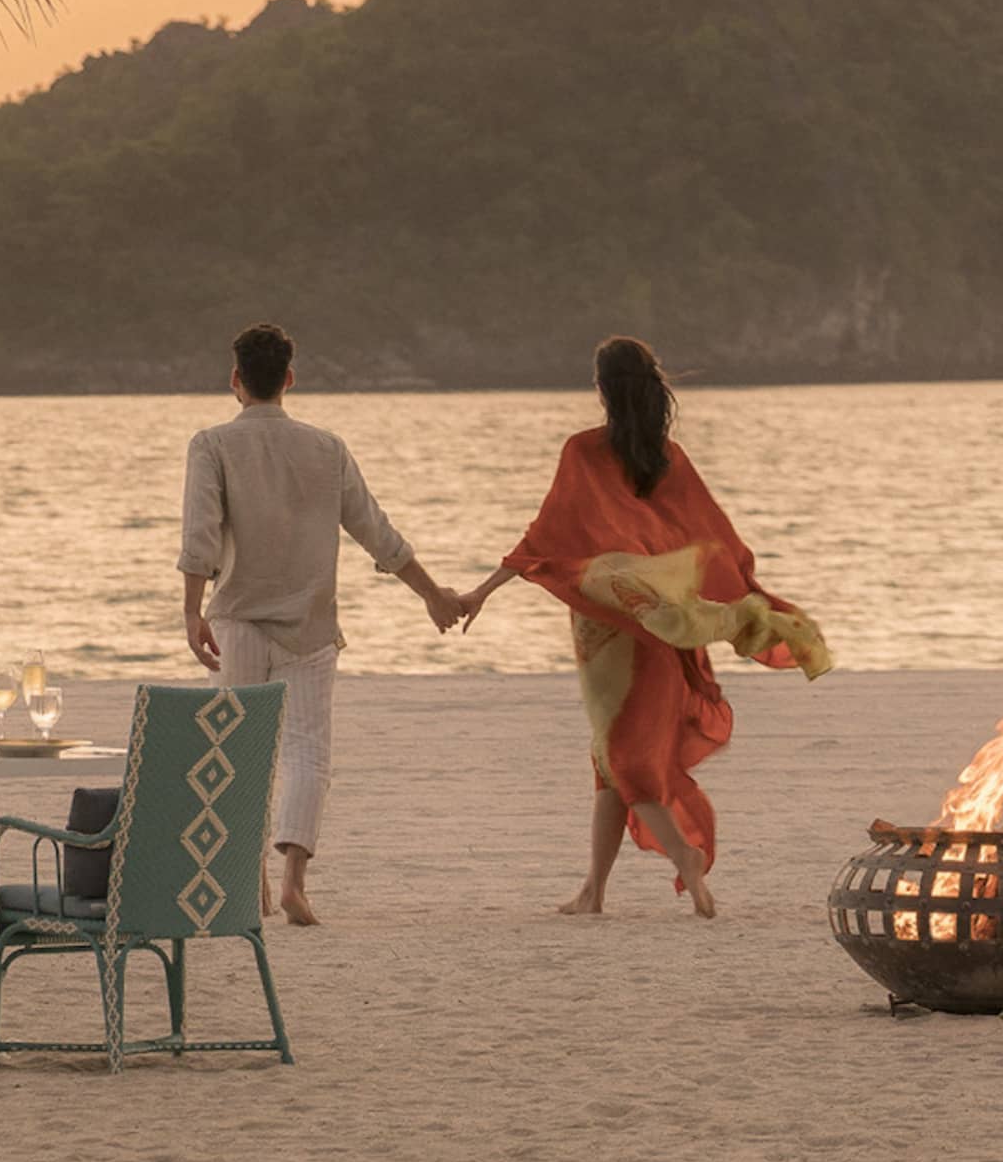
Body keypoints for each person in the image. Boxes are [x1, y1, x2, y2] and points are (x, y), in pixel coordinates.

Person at [459, 337, 830, 919]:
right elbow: (713, 541)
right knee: (609, 756)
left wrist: (481, 591)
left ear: (602, 389)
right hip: (663, 623)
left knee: (622, 755)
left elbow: (545, 538)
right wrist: (747, 598)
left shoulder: (582, 451)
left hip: (607, 630)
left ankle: (683, 853)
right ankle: (594, 891)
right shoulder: (667, 457)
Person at [179, 322, 464, 925]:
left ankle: (245, 880)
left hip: (237, 621)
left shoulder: (211, 445)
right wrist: (432, 594)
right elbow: (376, 534)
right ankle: (293, 884)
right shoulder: (327, 448)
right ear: (289, 379)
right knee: (309, 753)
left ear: (236, 381)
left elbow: (200, 535)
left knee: (237, 752)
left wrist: (189, 607)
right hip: (309, 625)